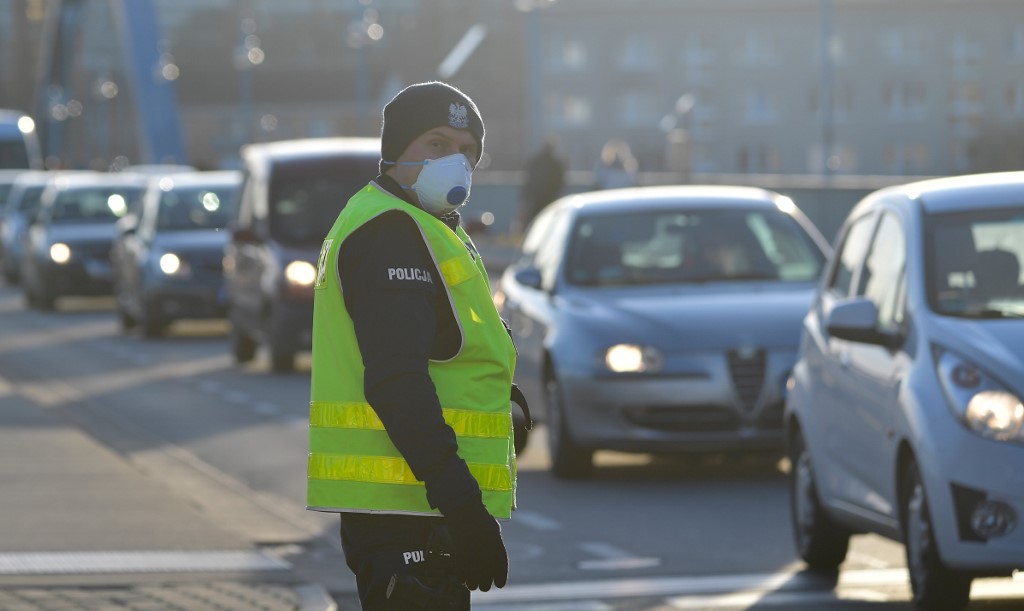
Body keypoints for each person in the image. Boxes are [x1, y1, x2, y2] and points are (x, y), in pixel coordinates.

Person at [307, 81, 524, 610]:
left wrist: (504, 405)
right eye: (437, 144)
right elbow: (397, 381)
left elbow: (444, 352)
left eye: (468, 151)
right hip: (409, 515)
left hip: (415, 512)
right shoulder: (389, 232)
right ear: (395, 150)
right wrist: (464, 509)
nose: (456, 162)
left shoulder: (421, 225)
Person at [517, 136, 565, 232]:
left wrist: (525, 198)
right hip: (546, 200)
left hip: (537, 199)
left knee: (535, 225)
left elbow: (527, 180)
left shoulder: (536, 161)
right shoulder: (555, 163)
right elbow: (561, 183)